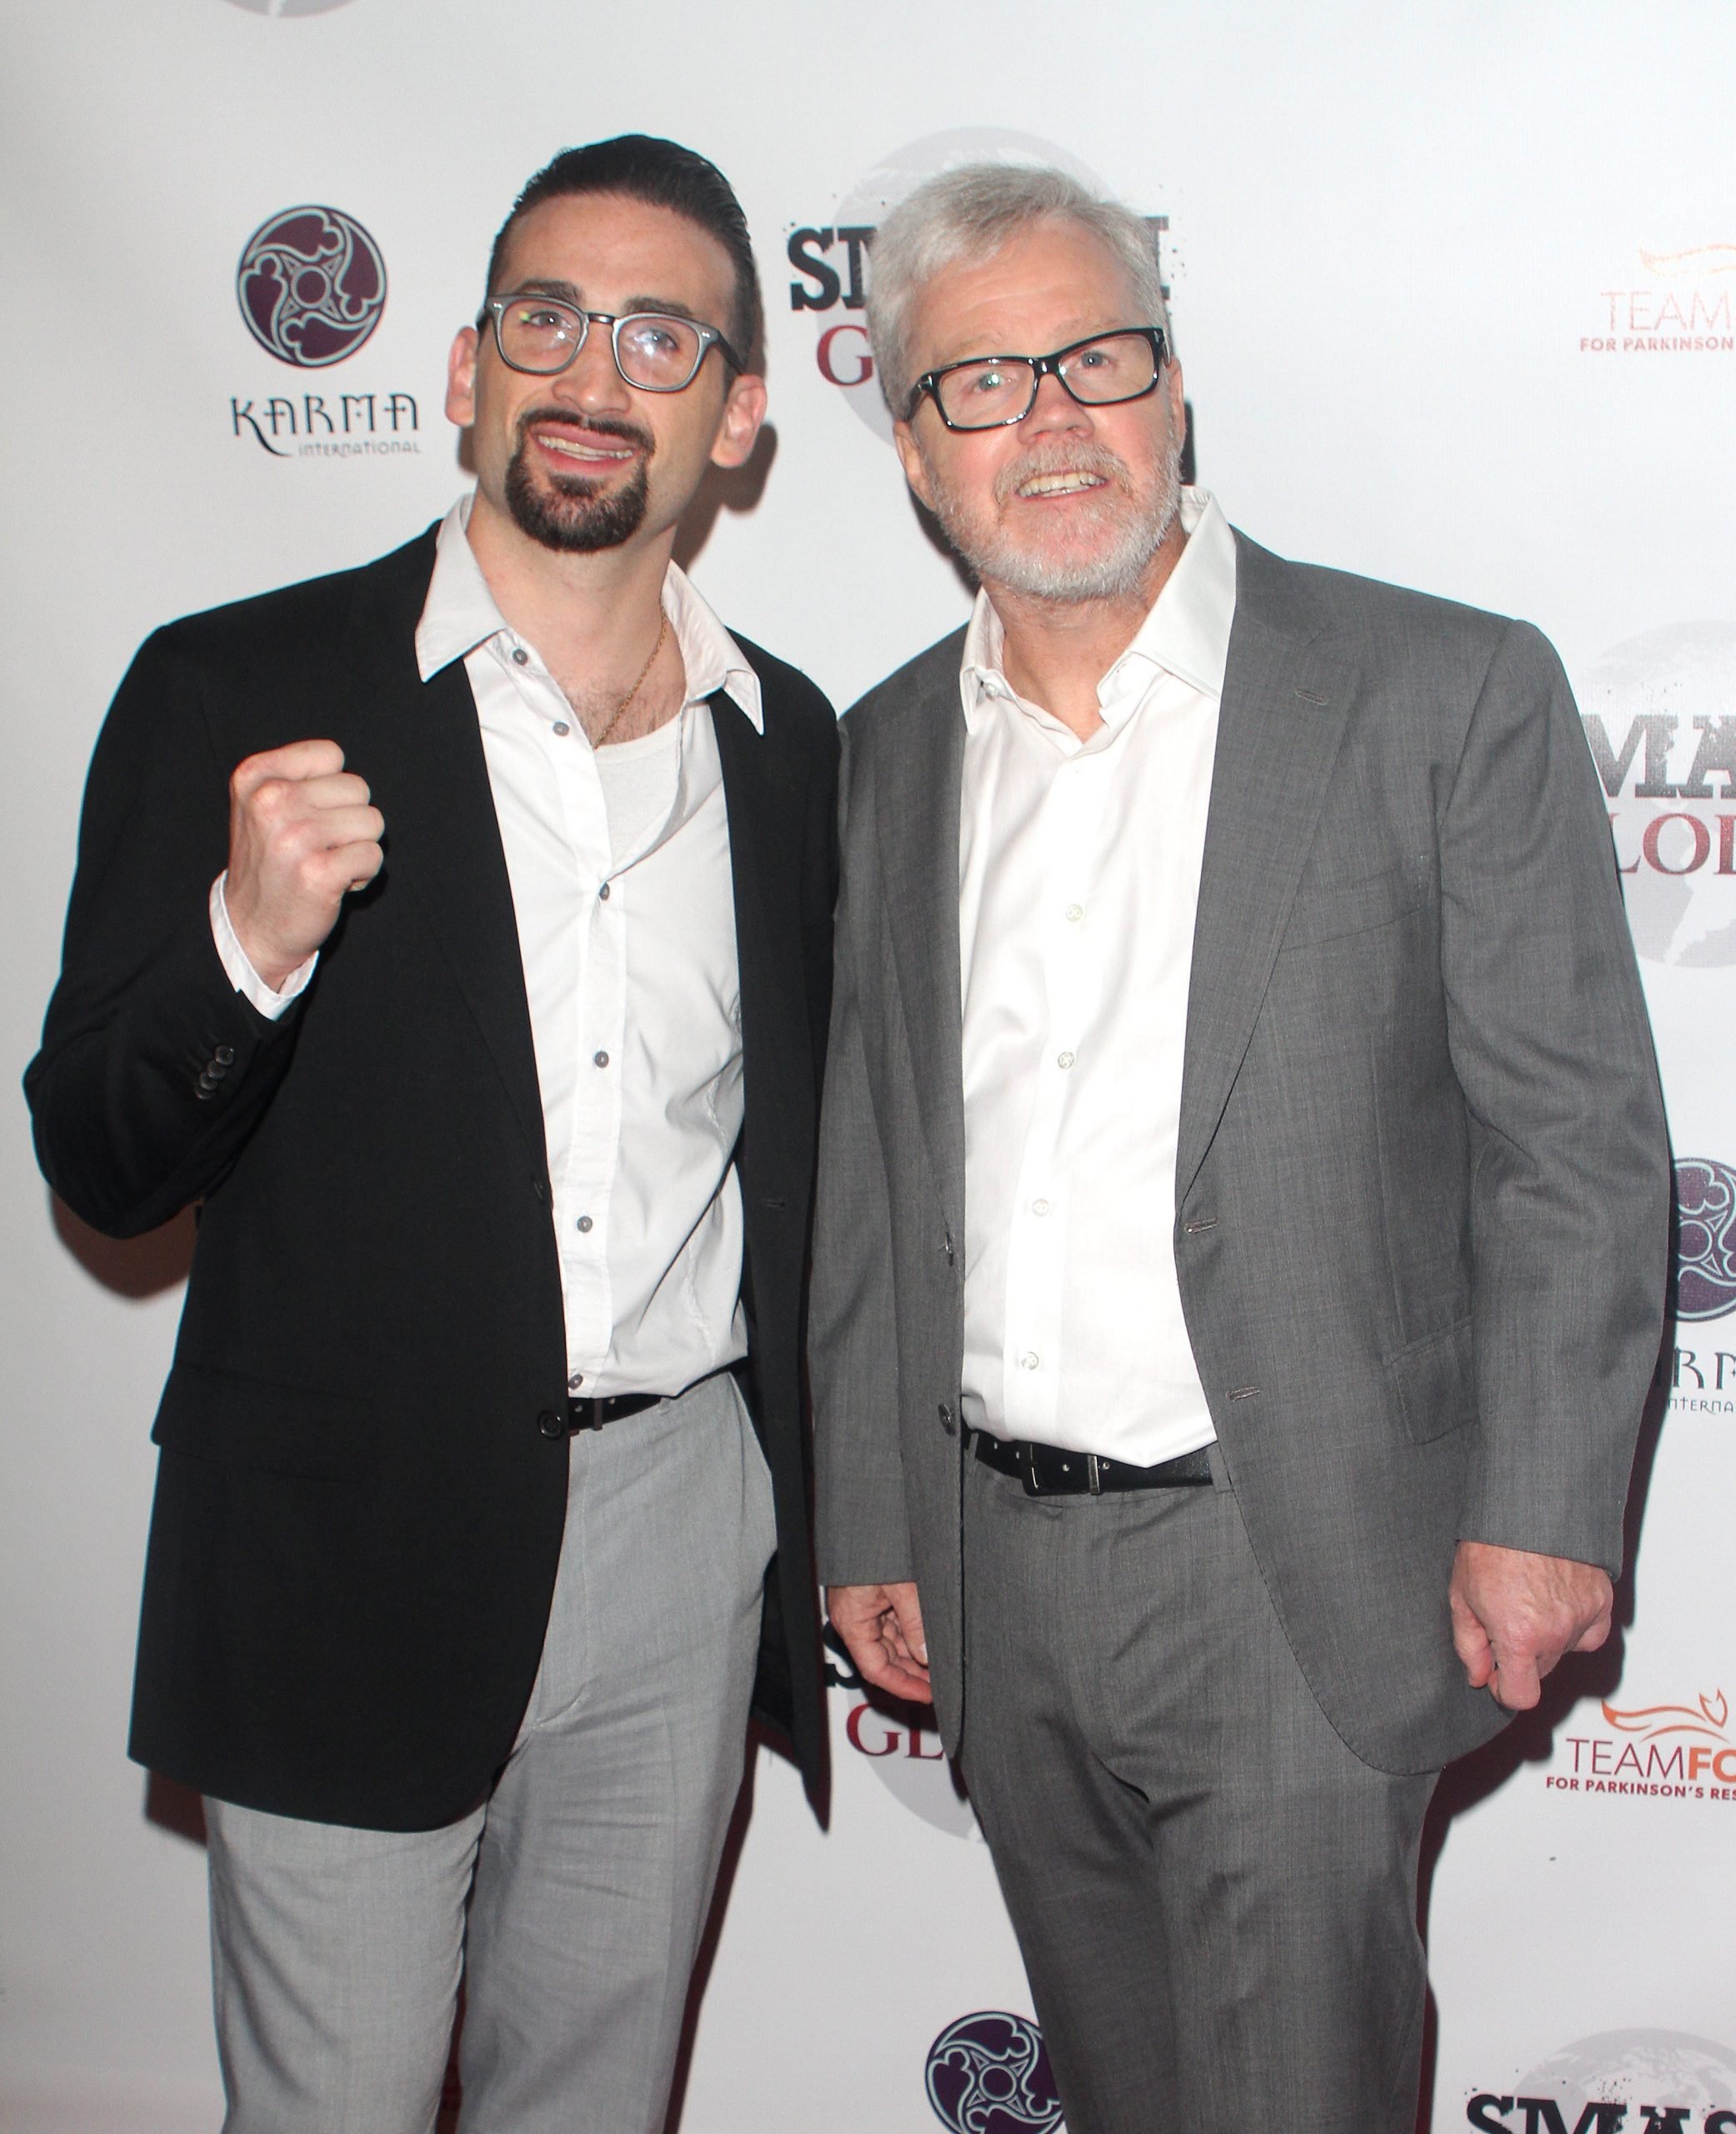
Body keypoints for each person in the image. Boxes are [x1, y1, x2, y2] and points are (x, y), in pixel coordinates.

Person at [811, 163, 1668, 2132]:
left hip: (1294, 1563)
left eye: (1094, 356)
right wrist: (875, 1510)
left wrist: (1543, 1500)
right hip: (993, 1571)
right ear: (918, 453)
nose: (1049, 419)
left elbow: (1575, 1139)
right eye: (978, 384)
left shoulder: (1435, 691)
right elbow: (872, 1163)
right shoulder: (884, 755)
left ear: (1173, 385)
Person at [27, 135, 838, 2134]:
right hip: (341, 1530)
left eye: (660, 335)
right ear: (465, 367)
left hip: (677, 1526)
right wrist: (248, 941)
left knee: (596, 2100)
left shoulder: (792, 742)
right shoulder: (237, 685)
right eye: (548, 318)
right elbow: (102, 1160)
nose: (592, 373)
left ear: (736, 416)